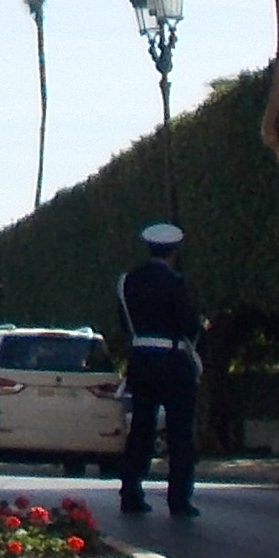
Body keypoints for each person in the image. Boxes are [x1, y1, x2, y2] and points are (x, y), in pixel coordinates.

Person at [116, 220, 202, 522]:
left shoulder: (128, 281)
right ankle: (179, 499)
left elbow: (125, 323)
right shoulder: (175, 282)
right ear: (174, 251)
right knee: (179, 431)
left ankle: (130, 492)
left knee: (141, 427)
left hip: (141, 359)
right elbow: (189, 324)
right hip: (172, 360)